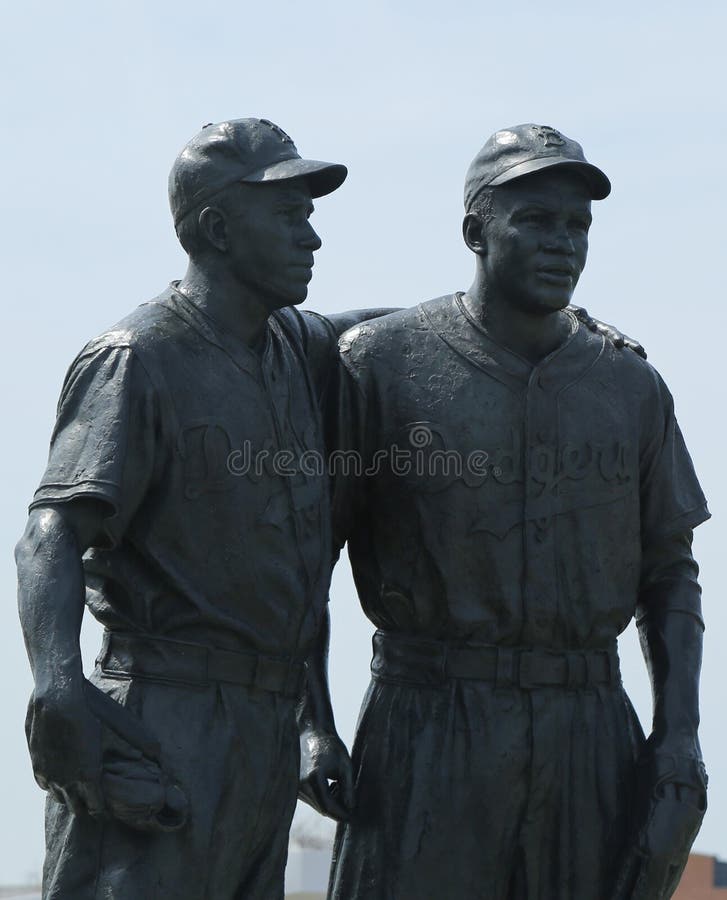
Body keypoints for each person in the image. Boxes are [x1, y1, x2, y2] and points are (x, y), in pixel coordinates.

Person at [322, 124, 709, 899]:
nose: (562, 243)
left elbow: (669, 574)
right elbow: (304, 559)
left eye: (577, 226)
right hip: (427, 722)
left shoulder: (631, 386)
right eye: (534, 220)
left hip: (588, 731)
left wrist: (678, 734)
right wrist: (308, 722)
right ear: (474, 231)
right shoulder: (380, 363)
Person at [15, 117, 376, 900]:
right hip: (162, 715)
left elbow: (374, 331)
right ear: (216, 227)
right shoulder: (137, 358)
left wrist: (520, 316)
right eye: (288, 214)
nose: (310, 236)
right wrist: (58, 685)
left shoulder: (289, 345)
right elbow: (50, 532)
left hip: (262, 729)